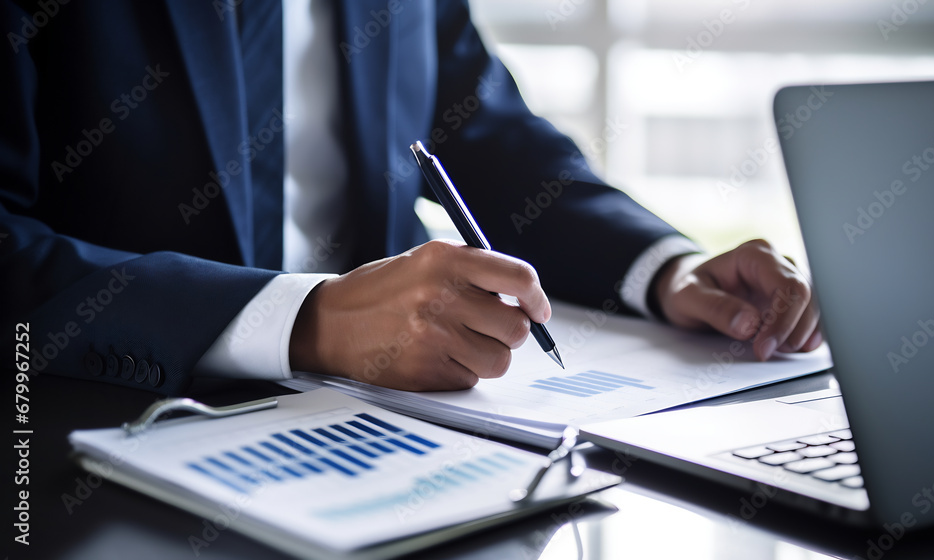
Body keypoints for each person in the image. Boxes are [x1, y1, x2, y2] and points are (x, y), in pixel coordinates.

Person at [0, 0, 821, 395]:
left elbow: (497, 145)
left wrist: (666, 269)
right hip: (102, 431)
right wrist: (309, 322)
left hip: (398, 419)